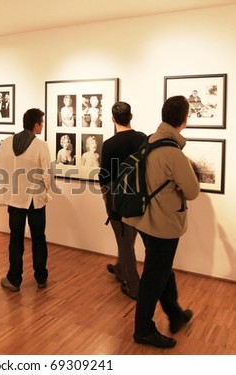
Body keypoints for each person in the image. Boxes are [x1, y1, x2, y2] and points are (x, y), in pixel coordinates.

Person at [124, 96, 200, 348]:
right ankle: (143, 329)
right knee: (154, 276)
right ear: (185, 119)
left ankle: (175, 314)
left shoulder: (151, 140)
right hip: (163, 224)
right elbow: (192, 191)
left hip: (144, 220)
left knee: (161, 268)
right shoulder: (173, 153)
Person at [0, 108, 52, 292]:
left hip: (14, 199)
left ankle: (14, 279)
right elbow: (47, 174)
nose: (42, 126)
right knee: (38, 238)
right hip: (35, 199)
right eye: (42, 123)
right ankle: (41, 277)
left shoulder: (5, 143)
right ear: (36, 125)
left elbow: (0, 168)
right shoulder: (40, 145)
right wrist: (44, 192)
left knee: (15, 239)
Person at [98, 102, 146, 300]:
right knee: (127, 237)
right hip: (139, 198)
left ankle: (134, 286)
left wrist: (105, 195)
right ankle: (120, 268)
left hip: (117, 198)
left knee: (125, 241)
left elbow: (105, 174)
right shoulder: (143, 139)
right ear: (131, 116)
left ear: (112, 119)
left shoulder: (110, 144)